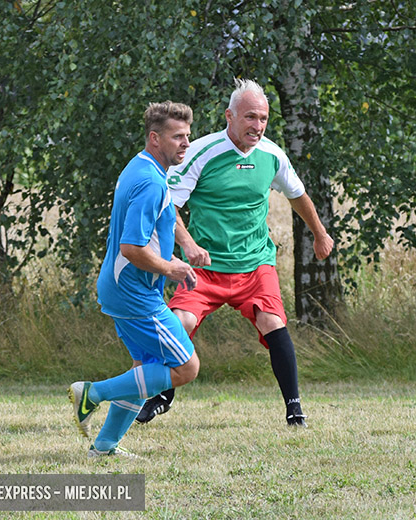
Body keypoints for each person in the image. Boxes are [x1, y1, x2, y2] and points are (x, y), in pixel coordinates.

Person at [136, 79, 333, 428]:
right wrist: (186, 245)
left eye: (264, 119)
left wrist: (320, 234)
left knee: (274, 324)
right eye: (250, 117)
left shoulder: (273, 155)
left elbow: (298, 195)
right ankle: (160, 394)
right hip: (207, 268)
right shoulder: (200, 151)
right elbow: (169, 206)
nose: (257, 126)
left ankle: (294, 409)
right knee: (179, 323)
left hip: (255, 264)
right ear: (229, 116)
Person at [68, 101, 199, 457]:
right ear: (155, 139)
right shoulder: (149, 183)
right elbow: (131, 247)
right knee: (186, 367)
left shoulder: (141, 168)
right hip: (134, 295)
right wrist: (171, 268)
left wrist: (182, 251)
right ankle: (91, 393)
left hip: (121, 289)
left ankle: (105, 447)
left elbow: (156, 229)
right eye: (178, 137)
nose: (186, 143)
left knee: (145, 370)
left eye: (188, 136)